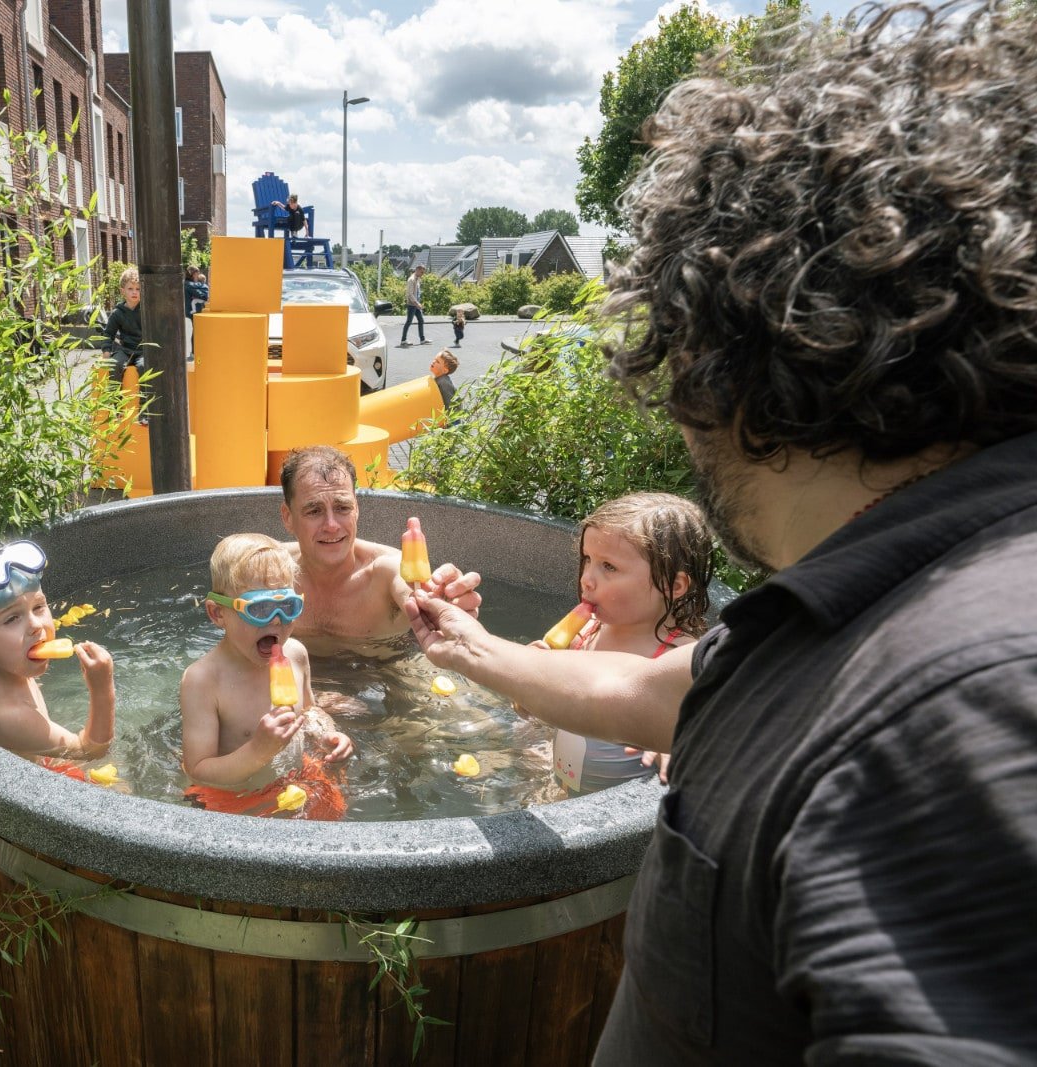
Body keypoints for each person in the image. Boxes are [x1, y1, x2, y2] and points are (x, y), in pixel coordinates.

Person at [404, 4, 1037, 1060]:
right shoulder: (876, 597)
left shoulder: (956, 717)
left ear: (719, 352)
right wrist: (462, 644)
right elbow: (655, 689)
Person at [539, 493, 712, 794]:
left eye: (609, 567)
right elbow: (537, 706)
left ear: (673, 586)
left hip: (609, 810)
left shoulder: (679, 657)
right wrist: (530, 677)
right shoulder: (586, 633)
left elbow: (710, 727)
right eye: (588, 560)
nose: (587, 579)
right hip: (560, 786)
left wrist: (678, 740)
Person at [179, 533, 352, 794]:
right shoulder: (203, 681)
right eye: (259, 609)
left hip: (293, 782)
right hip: (238, 797)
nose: (276, 620)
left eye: (288, 606)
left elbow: (308, 711)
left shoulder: (295, 654)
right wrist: (257, 750)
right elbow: (198, 770)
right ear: (218, 613)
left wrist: (326, 735)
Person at [279, 445, 481, 655]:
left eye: (342, 508)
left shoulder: (387, 570)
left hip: (388, 672)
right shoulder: (269, 571)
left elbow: (415, 592)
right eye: (314, 510)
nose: (331, 525)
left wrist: (444, 601)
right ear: (288, 517)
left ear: (356, 509)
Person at [0, 540, 115, 762]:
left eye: (38, 607)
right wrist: (102, 688)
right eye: (12, 618)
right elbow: (91, 751)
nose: (36, 625)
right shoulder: (8, 715)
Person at [102, 267, 148, 424]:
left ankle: (144, 412)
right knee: (114, 365)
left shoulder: (147, 310)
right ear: (123, 291)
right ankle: (116, 408)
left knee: (144, 367)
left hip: (143, 350)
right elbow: (108, 334)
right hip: (125, 349)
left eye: (138, 289)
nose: (134, 292)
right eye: (130, 289)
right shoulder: (117, 313)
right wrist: (106, 351)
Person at [399, 265, 427, 347]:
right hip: (412, 305)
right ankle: (403, 340)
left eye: (423, 272)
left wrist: (418, 303)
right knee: (409, 322)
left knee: (421, 320)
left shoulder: (417, 279)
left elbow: (417, 292)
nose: (422, 274)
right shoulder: (411, 280)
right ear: (417, 270)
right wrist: (417, 303)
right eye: (422, 272)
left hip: (416, 304)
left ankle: (422, 340)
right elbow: (409, 294)